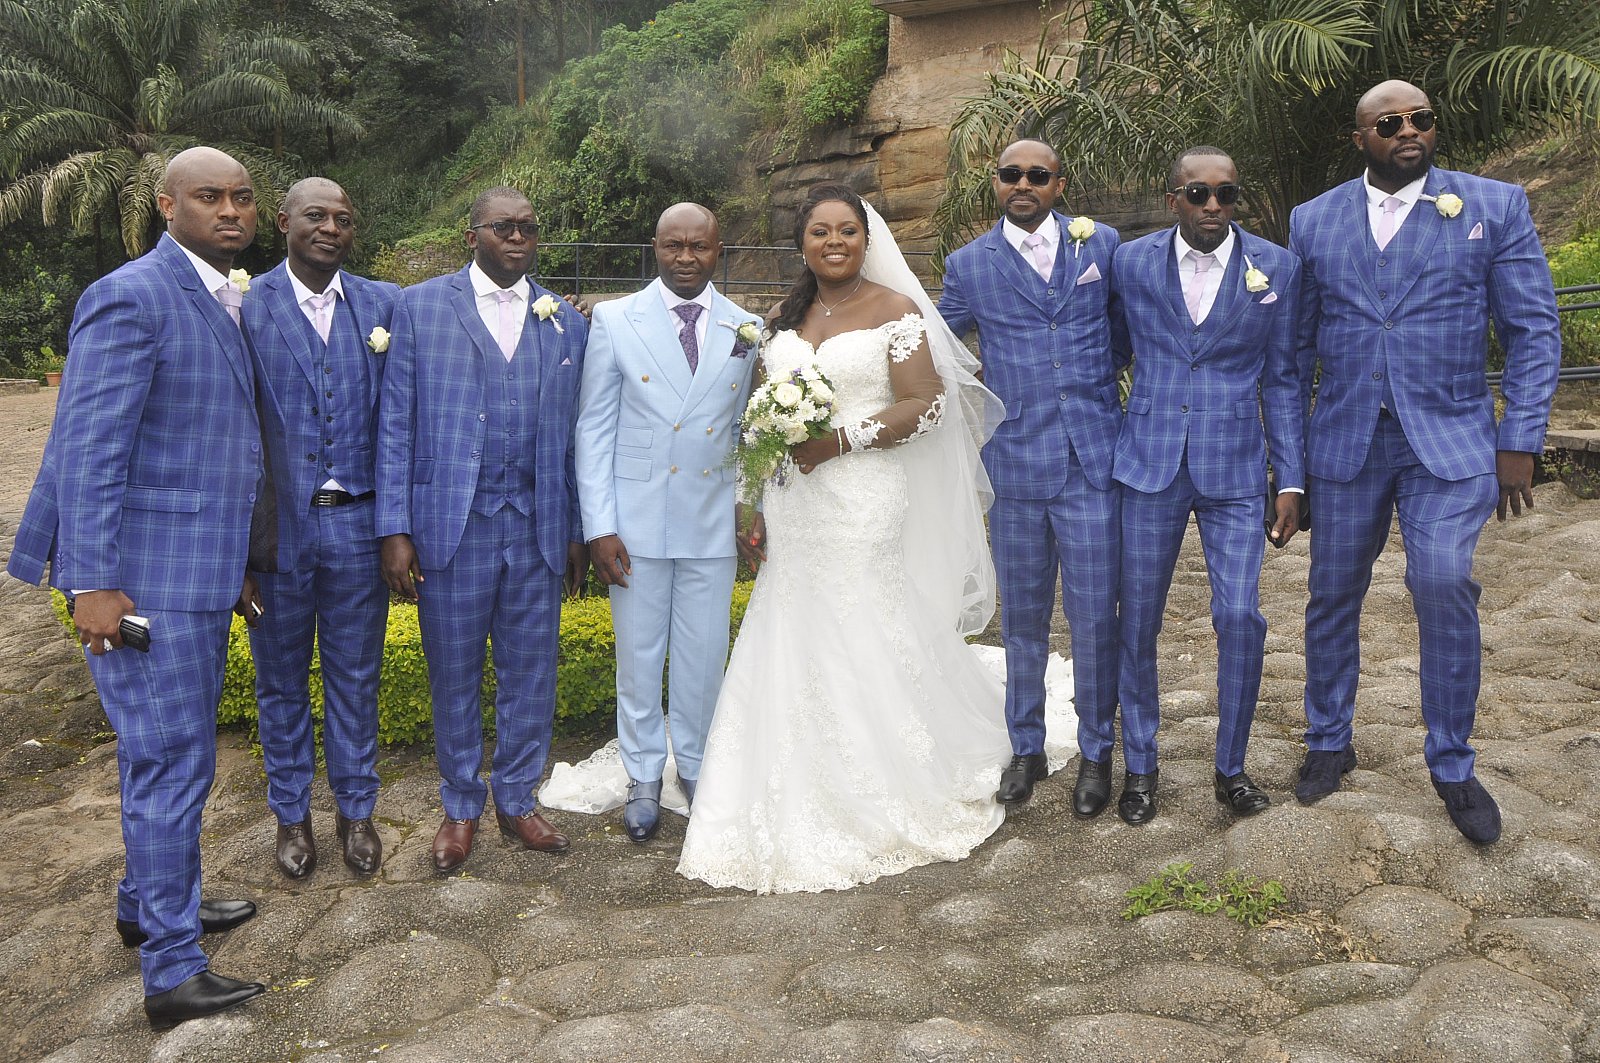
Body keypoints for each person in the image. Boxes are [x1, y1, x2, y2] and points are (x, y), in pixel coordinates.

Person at [676, 183, 1015, 894]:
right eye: (820, 231)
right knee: (793, 618)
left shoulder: (895, 310)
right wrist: (750, 499)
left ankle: (883, 777)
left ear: (866, 239)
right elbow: (762, 418)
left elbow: (927, 404)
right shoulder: (783, 318)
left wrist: (839, 441)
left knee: (860, 617)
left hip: (862, 494)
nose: (834, 242)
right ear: (801, 243)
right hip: (793, 501)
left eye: (847, 231)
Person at [7, 147, 267, 1028]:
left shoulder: (217, 294)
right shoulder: (132, 295)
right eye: (209, 197)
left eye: (241, 198)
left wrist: (234, 565)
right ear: (166, 205)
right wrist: (92, 583)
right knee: (173, 762)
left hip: (194, 571)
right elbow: (90, 449)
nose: (229, 211)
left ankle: (145, 904)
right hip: (143, 584)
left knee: (159, 753)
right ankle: (172, 969)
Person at [1290, 80, 1560, 843]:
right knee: (1331, 593)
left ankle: (1451, 762)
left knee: (1441, 581)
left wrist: (1519, 440)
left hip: (1450, 440)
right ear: (1361, 138)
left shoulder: (1492, 205)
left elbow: (1534, 330)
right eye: (1390, 123)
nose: (1408, 130)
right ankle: (1328, 740)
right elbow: (1295, 350)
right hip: (1346, 441)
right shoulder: (1313, 220)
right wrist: (1291, 465)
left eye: (1421, 119)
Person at [375, 186, 589, 872]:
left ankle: (519, 798)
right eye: (503, 227)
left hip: (536, 527)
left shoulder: (565, 321)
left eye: (528, 227)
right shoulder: (418, 307)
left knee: (532, 673)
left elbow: (576, 436)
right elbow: (396, 423)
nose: (518, 237)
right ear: (473, 236)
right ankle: (461, 805)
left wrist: (575, 528)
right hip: (452, 526)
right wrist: (394, 528)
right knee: (454, 672)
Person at [1110, 147, 1304, 824]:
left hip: (1236, 467)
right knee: (1137, 618)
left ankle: (1232, 767)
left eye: (1226, 194)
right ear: (1174, 200)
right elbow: (1109, 351)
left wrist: (1291, 479)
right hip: (1147, 463)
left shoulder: (1276, 267)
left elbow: (1283, 378)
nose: (1214, 206)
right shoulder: (1130, 263)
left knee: (1240, 615)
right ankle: (1140, 766)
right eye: (1198, 194)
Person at [938, 139, 1128, 808]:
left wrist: (1092, 387)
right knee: (1022, 619)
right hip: (1015, 463)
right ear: (995, 183)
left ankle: (1097, 752)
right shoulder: (968, 264)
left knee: (1095, 617)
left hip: (1091, 461)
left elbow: (1123, 330)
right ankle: (1027, 746)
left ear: (1059, 183)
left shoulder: (1101, 244)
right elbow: (937, 346)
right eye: (1010, 174)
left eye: (1037, 175)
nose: (1023, 184)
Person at [572, 203, 762, 842]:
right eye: (673, 245)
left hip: (710, 518)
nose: (685, 258)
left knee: (704, 657)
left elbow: (745, 431)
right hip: (635, 520)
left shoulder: (745, 328)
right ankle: (644, 775)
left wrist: (747, 507)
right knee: (638, 656)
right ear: (654, 247)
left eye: (698, 246)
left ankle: (700, 766)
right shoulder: (615, 319)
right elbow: (594, 428)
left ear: (718, 251)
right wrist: (599, 526)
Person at [243, 177, 400, 879]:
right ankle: (291, 814)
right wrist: (240, 550)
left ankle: (356, 812)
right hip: (278, 531)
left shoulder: (384, 304)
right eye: (316, 215)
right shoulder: (246, 306)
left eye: (343, 217)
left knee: (356, 678)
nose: (331, 227)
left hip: (358, 526)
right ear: (283, 222)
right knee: (279, 682)